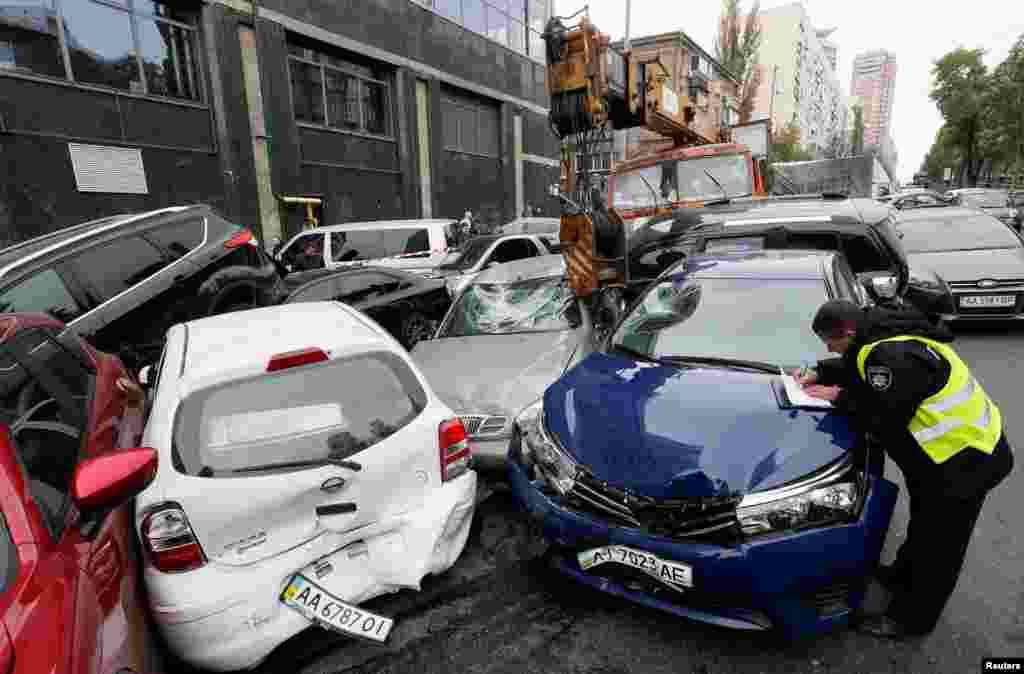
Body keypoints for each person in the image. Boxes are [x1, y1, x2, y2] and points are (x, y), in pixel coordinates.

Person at [795, 300, 1014, 639]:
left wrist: (836, 396)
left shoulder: (890, 356)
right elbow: (861, 369)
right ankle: (901, 575)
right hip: (945, 459)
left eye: (830, 342)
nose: (828, 347)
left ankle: (911, 620)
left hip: (966, 464)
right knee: (924, 522)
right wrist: (822, 371)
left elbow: (882, 413)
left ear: (850, 332)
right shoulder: (883, 335)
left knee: (940, 548)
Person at [116, 377, 147, 448]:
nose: (120, 403)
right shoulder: (130, 409)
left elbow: (136, 435)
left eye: (122, 396)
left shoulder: (134, 411)